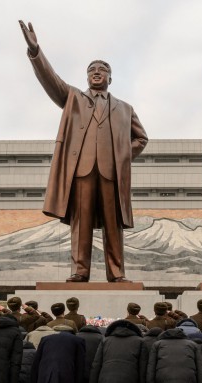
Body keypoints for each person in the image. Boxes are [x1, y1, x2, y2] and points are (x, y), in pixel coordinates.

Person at [20, 21, 148, 283]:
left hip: (111, 173)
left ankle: (116, 273)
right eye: (92, 70)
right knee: (82, 224)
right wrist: (36, 51)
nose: (97, 72)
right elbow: (51, 81)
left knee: (113, 225)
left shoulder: (124, 108)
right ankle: (80, 271)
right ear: (87, 77)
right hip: (81, 171)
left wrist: (121, 156)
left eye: (103, 70)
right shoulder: (73, 98)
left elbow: (142, 138)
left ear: (111, 78)